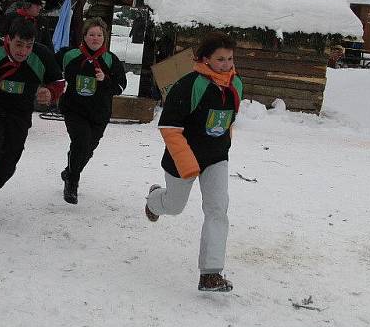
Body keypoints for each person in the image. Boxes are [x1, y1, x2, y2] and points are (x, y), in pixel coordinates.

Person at [145, 31, 242, 293]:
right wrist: (188, 164)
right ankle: (155, 199)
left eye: (230, 58)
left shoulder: (236, 85)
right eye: (220, 59)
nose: (226, 64)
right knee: (175, 206)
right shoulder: (188, 85)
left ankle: (210, 274)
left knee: (217, 209)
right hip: (182, 159)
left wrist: (224, 146)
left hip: (216, 158)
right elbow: (169, 127)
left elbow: (228, 122)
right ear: (205, 59)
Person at [0, 16, 63, 218]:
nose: (23, 51)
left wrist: (50, 93)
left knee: (10, 159)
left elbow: (58, 82)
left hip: (20, 113)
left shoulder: (41, 56)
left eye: (29, 46)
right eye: (19, 44)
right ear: (8, 39)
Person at [57, 17, 126, 204]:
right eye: (91, 34)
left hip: (99, 113)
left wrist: (106, 80)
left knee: (88, 150)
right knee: (81, 142)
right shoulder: (70, 55)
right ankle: (72, 182)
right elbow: (52, 71)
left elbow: (121, 86)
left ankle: (69, 171)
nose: (95, 38)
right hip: (74, 109)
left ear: (105, 38)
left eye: (99, 35)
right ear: (84, 36)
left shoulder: (110, 60)